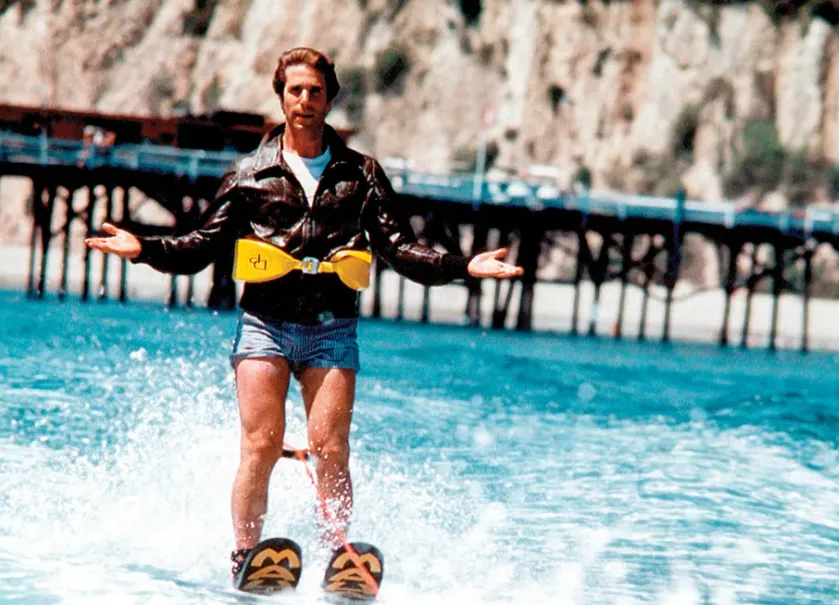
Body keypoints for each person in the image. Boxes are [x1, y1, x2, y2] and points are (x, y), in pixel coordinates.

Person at [85, 47, 522, 576]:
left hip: (331, 329)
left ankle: (336, 555)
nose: (305, 100)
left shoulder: (360, 175)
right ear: (281, 96)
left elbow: (401, 248)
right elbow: (201, 245)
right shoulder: (250, 173)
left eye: (315, 91)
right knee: (261, 445)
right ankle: (245, 555)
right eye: (295, 90)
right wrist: (145, 248)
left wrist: (464, 265)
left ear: (330, 99)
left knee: (329, 446)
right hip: (265, 325)